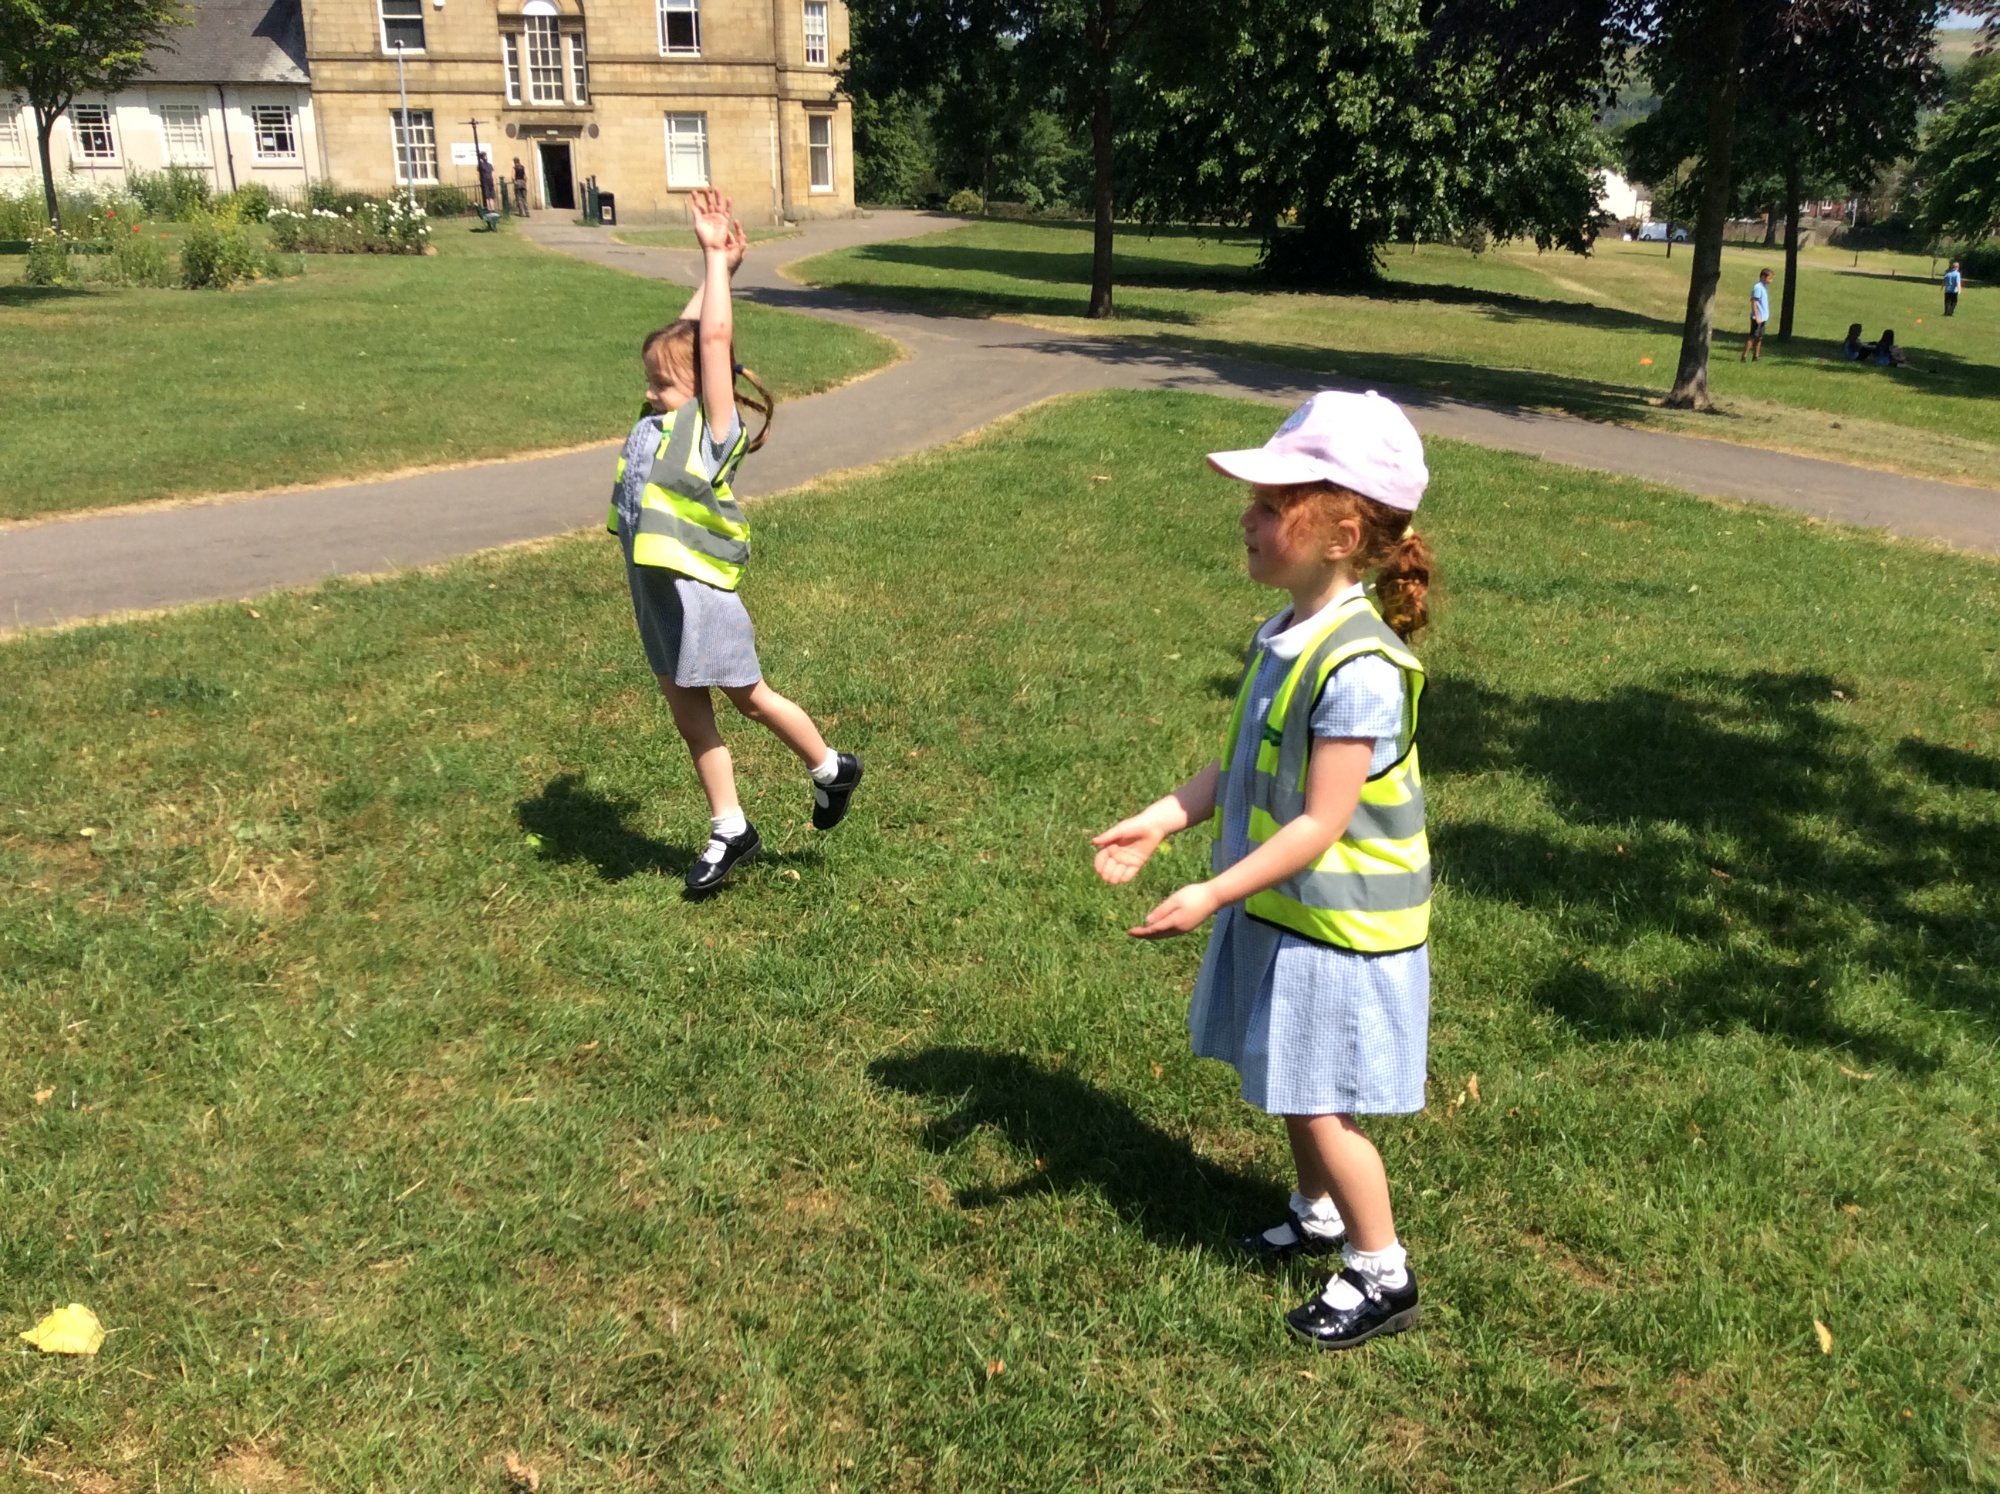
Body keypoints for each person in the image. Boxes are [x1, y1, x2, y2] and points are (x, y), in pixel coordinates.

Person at [1092, 391, 1436, 1353]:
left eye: (1269, 502)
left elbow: (1322, 823)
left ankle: (1382, 1269)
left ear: (1340, 533)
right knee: (1292, 1074)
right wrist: (1163, 820)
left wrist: (1212, 891)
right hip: (1296, 912)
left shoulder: (1359, 668)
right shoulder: (1288, 633)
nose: (1244, 517)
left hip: (1345, 929)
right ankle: (1317, 1215)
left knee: (1321, 1102)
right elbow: (1242, 767)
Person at [608, 187, 863, 894]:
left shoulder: (710, 430)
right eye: (650, 381)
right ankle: (731, 829)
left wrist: (717, 263)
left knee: (749, 699)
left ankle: (830, 768)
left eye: (662, 384)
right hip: (656, 595)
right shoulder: (660, 419)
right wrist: (718, 267)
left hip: (700, 596)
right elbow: (689, 340)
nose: (650, 392)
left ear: (702, 390)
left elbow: (710, 344)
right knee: (691, 720)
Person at [1742, 267, 1772, 361]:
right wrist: (1757, 316)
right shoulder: (1758, 287)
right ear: (1763, 277)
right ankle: (1744, 356)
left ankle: (1756, 356)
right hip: (1757, 317)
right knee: (1752, 337)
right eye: (1769, 278)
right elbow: (1754, 302)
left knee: (1759, 337)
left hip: (1763, 317)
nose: (1771, 281)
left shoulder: (1764, 287)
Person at [477, 150, 498, 225]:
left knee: (491, 196)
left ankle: (492, 208)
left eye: (486, 155)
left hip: (490, 182)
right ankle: (489, 209)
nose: (486, 157)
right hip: (485, 182)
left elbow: (493, 173)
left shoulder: (489, 165)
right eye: (484, 156)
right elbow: (479, 174)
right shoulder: (480, 165)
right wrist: (480, 181)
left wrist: (494, 181)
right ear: (482, 157)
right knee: (487, 196)